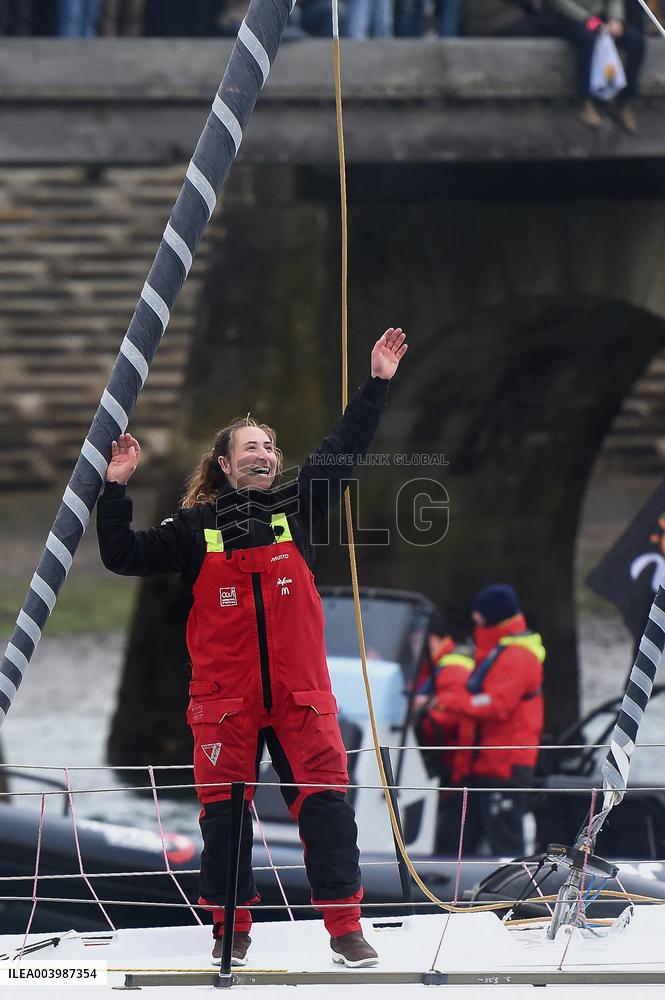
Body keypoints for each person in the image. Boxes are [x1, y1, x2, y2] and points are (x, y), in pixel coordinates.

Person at [97, 328, 408, 968]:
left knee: (326, 812)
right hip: (225, 703)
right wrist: (116, 488)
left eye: (269, 446)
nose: (263, 454)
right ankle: (231, 931)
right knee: (225, 821)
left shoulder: (299, 505)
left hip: (299, 699)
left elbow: (343, 450)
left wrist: (376, 382)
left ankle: (345, 928)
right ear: (224, 463)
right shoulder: (191, 529)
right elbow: (121, 554)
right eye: (249, 448)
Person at [428, 584, 545, 857]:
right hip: (484, 765)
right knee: (456, 841)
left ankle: (516, 896)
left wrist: (448, 701)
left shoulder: (517, 656)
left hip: (503, 768)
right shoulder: (500, 651)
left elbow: (494, 704)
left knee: (504, 841)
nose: (475, 622)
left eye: (479, 617)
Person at [544, 0, 646, 131]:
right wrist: (592, 22)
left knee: (637, 43)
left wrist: (615, 19)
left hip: (599, 16)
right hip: (569, 17)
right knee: (587, 40)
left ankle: (623, 103)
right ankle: (585, 102)